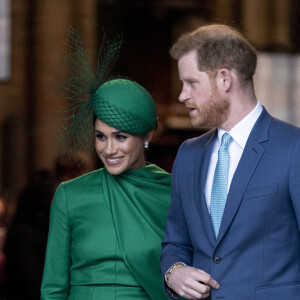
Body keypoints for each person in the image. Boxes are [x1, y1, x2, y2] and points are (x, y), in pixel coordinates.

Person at [160, 23, 300, 300]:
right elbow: (175, 242)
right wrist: (173, 272)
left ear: (224, 79)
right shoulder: (188, 154)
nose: (182, 95)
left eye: (191, 82)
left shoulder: (294, 148)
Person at [41, 73, 171, 299]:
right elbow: (53, 288)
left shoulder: (173, 192)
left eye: (120, 137)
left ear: (148, 135)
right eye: (101, 137)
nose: (109, 149)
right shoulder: (70, 195)